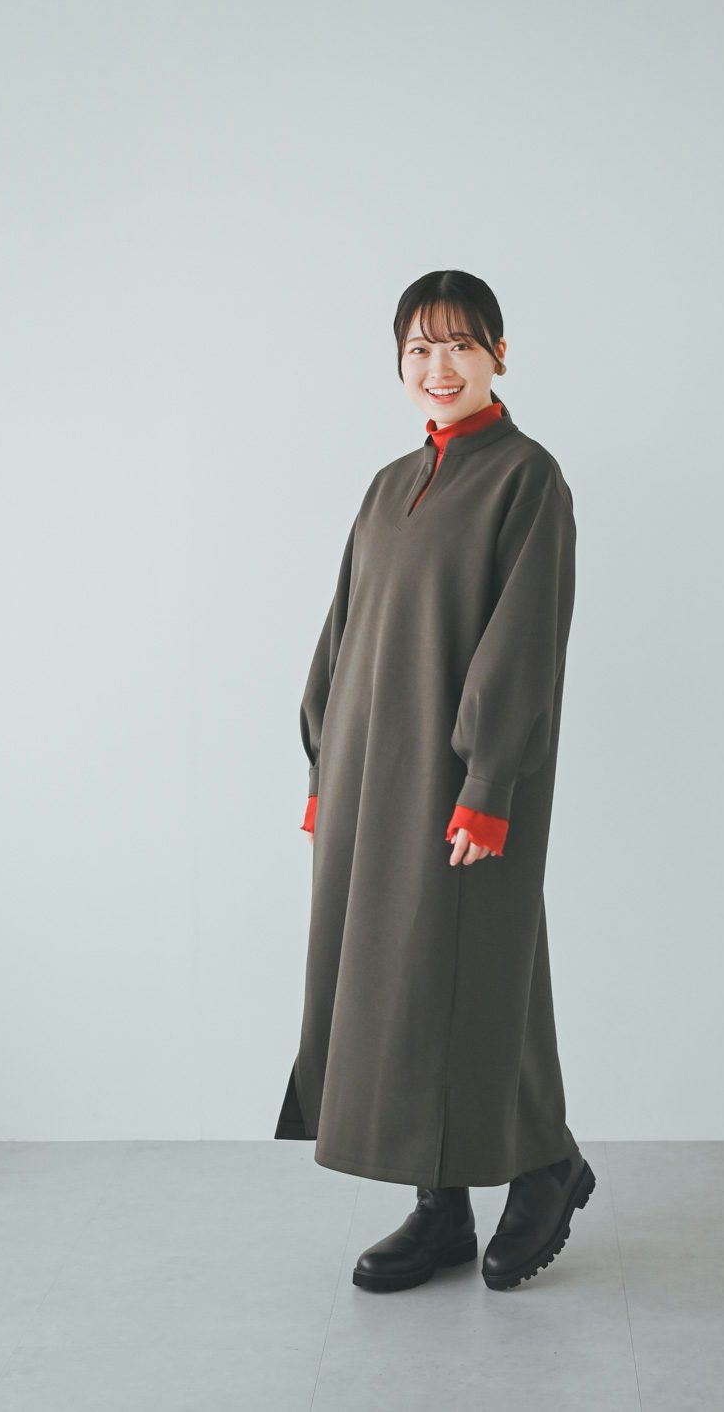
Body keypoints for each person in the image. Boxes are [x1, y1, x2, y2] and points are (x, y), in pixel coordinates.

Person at [274, 269, 594, 1293]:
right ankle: (439, 1207)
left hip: (459, 783)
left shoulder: (527, 479)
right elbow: (344, 629)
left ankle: (544, 1164)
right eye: (418, 348)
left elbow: (524, 642)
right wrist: (323, 761)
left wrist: (489, 783)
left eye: (459, 343)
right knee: (396, 982)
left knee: (474, 971)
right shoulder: (387, 484)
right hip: (367, 778)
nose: (438, 366)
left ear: (499, 352)